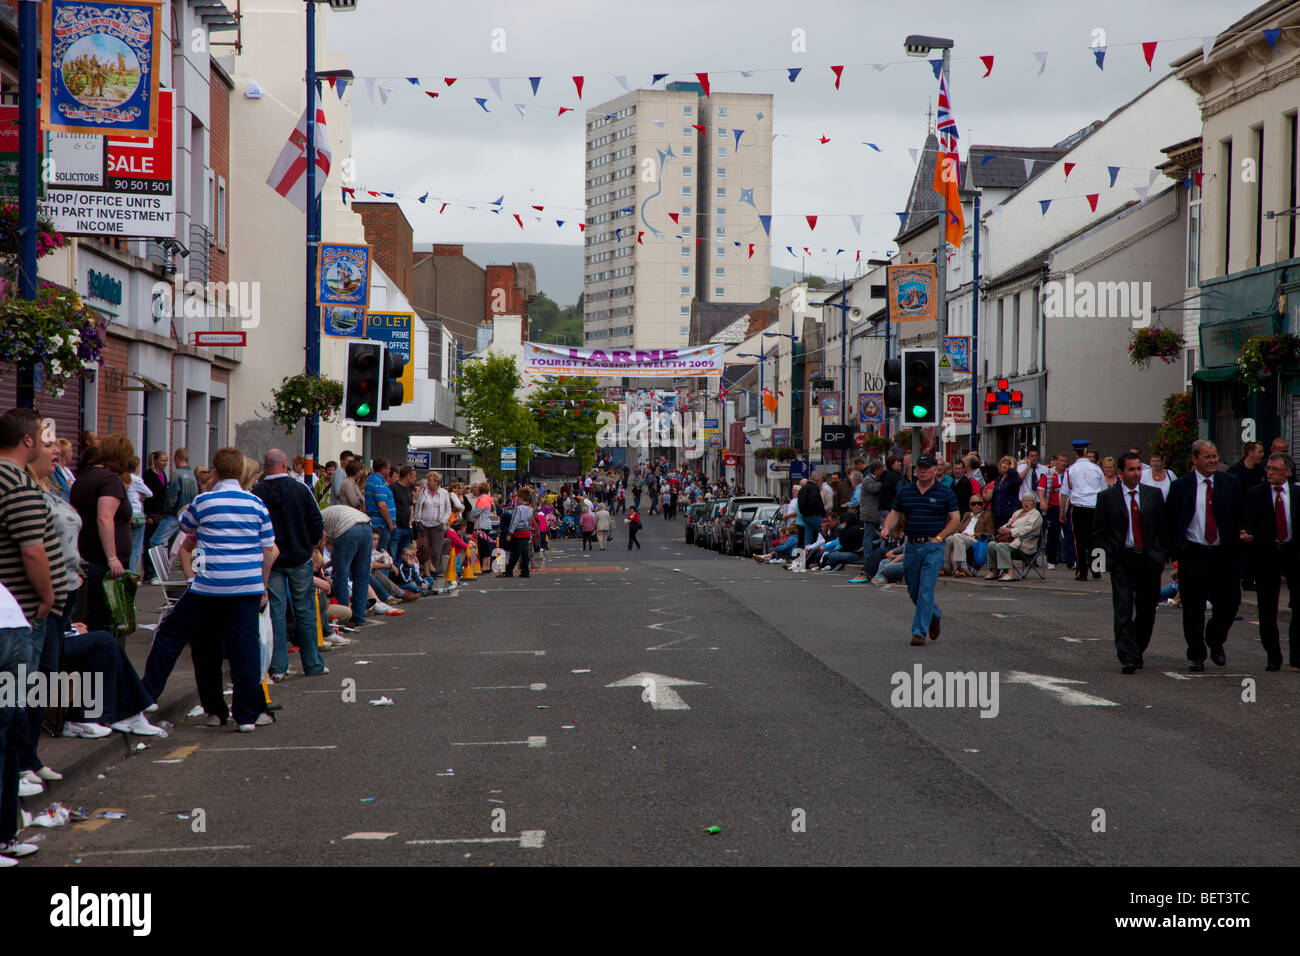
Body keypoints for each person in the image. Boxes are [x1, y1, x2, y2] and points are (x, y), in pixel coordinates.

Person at [142, 447, 277, 733]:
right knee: (246, 649)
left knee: (175, 635)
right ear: (241, 471)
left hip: (210, 587)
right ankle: (247, 715)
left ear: (214, 471)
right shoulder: (257, 505)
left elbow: (183, 525)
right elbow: (268, 550)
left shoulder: (204, 501)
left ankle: (150, 695)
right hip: (246, 586)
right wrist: (262, 585)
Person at [1165, 439, 1245, 672]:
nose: (1213, 461)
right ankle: (1196, 653)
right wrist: (1176, 551)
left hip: (1224, 555)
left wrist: (1244, 532)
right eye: (1207, 457)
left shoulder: (1230, 482)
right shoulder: (1181, 486)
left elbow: (1243, 513)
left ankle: (1215, 639)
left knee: (1229, 603)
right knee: (1192, 607)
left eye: (1214, 456)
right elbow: (1170, 520)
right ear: (1194, 459)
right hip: (1194, 553)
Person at [252, 449, 328, 683]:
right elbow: (317, 521)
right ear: (285, 464)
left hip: (271, 560)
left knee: (276, 611)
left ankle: (278, 667)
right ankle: (313, 664)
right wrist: (310, 544)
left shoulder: (257, 492)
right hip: (299, 556)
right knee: (305, 610)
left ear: (265, 466)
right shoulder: (301, 489)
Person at [1095, 451, 1168, 673]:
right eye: (1131, 469)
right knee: (1123, 607)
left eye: (1138, 469)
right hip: (1122, 560)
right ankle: (1127, 654)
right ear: (1120, 473)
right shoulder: (1107, 497)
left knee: (1147, 611)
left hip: (1148, 559)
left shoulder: (1153, 495)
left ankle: (1136, 647)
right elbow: (1098, 532)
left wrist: (1160, 553)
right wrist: (1105, 560)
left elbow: (1162, 528)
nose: (1136, 473)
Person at [880, 454, 960, 646]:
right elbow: (894, 513)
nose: (922, 471)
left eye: (926, 467)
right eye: (920, 467)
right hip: (912, 546)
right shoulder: (906, 491)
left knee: (925, 590)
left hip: (933, 546)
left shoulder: (945, 492)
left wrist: (939, 538)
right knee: (914, 591)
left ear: (934, 470)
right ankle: (934, 614)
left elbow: (955, 519)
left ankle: (919, 632)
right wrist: (887, 527)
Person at [1241, 452, 1299, 671]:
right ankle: (1273, 655)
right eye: (1268, 469)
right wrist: (1246, 532)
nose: (1270, 473)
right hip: (1267, 554)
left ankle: (1297, 657)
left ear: (1287, 472)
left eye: (1275, 469)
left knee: (1298, 606)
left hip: (1293, 554)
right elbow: (1247, 520)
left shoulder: (1296, 493)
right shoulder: (1256, 494)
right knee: (1267, 608)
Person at [69, 433, 133, 632]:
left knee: (90, 618)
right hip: (104, 563)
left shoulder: (84, 477)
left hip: (86, 555)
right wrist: (112, 558)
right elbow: (104, 518)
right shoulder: (110, 480)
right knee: (109, 622)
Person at [322, 502, 376, 627]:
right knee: (362, 575)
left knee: (341, 575)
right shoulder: (330, 513)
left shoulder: (318, 519)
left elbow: (321, 540)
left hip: (347, 528)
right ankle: (359, 617)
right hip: (367, 526)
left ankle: (344, 616)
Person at [1061, 439, 1105, 582]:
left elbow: (1064, 493)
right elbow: (1103, 491)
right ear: (1087, 451)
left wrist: (1062, 512)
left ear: (1074, 452)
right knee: (1096, 539)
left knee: (1079, 541)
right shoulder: (1097, 469)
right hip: (1095, 507)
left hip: (1079, 508)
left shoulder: (1071, 470)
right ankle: (1097, 569)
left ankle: (1082, 572)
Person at [985, 494, 1043, 581]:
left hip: (1024, 544)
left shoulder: (1035, 515)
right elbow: (1009, 523)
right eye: (1024, 501)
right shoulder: (1017, 512)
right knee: (991, 545)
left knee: (1001, 546)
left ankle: (1010, 573)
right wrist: (1003, 529)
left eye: (1029, 501)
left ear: (1034, 504)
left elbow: (1026, 529)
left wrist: (1011, 532)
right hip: (1011, 541)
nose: (1026, 503)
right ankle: (995, 571)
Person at [150, 446, 197, 550]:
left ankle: (158, 565)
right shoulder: (192, 475)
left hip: (173, 515)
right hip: (185, 515)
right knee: (177, 545)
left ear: (176, 458)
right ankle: (172, 565)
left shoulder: (177, 474)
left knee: (155, 542)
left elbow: (172, 497)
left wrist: (166, 511)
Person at [942, 496, 993, 577]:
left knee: (957, 537)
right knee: (948, 538)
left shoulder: (987, 515)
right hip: (962, 537)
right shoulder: (967, 515)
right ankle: (946, 566)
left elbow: (990, 532)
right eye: (973, 504)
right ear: (970, 506)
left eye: (979, 504)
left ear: (983, 505)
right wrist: (955, 533)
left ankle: (963, 567)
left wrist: (973, 535)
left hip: (976, 539)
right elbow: (959, 529)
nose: (976, 506)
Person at [1038, 453, 1071, 570]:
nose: (1064, 463)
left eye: (1066, 461)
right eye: (1061, 460)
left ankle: (1071, 561)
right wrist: (1042, 501)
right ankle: (1051, 560)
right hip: (1053, 508)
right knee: (1052, 535)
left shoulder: (1069, 474)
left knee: (1069, 534)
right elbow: (1041, 489)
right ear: (1056, 461)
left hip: (1067, 507)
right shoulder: (1048, 474)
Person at [141, 450, 168, 577]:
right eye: (163, 460)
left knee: (158, 543)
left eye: (166, 460)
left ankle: (156, 570)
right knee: (149, 542)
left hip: (161, 514)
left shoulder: (163, 474)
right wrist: (147, 515)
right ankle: (149, 571)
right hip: (152, 514)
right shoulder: (148, 475)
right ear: (155, 461)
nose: (165, 463)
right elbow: (147, 497)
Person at [125, 455, 152, 575]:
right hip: (137, 515)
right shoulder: (136, 479)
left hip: (126, 514)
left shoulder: (122, 478)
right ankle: (132, 572)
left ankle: (126, 570)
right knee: (136, 547)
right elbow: (150, 493)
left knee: (126, 545)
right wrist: (141, 496)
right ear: (136, 467)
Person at [365, 458, 397, 556]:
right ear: (383, 469)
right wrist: (390, 524)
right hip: (380, 525)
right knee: (380, 555)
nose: (389, 471)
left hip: (377, 523)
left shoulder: (372, 480)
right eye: (388, 468)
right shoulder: (378, 482)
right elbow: (382, 505)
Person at [502, 488, 535, 578]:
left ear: (520, 498)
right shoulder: (529, 509)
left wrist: (509, 533)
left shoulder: (518, 508)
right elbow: (529, 521)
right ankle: (525, 571)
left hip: (518, 533)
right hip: (526, 532)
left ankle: (509, 570)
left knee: (515, 553)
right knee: (525, 553)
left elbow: (514, 522)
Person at [389, 465, 417, 560]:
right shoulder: (393, 488)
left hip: (407, 527)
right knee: (393, 551)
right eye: (413, 477)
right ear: (408, 476)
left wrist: (410, 523)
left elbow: (411, 506)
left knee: (405, 553)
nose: (415, 479)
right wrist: (393, 523)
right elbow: (389, 506)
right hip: (397, 527)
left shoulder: (408, 490)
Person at [989, 456, 1021, 529]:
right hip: (997, 513)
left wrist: (1012, 469)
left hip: (1008, 513)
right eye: (1003, 462)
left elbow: (1018, 481)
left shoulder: (1013, 479)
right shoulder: (998, 479)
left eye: (1008, 464)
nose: (1004, 465)